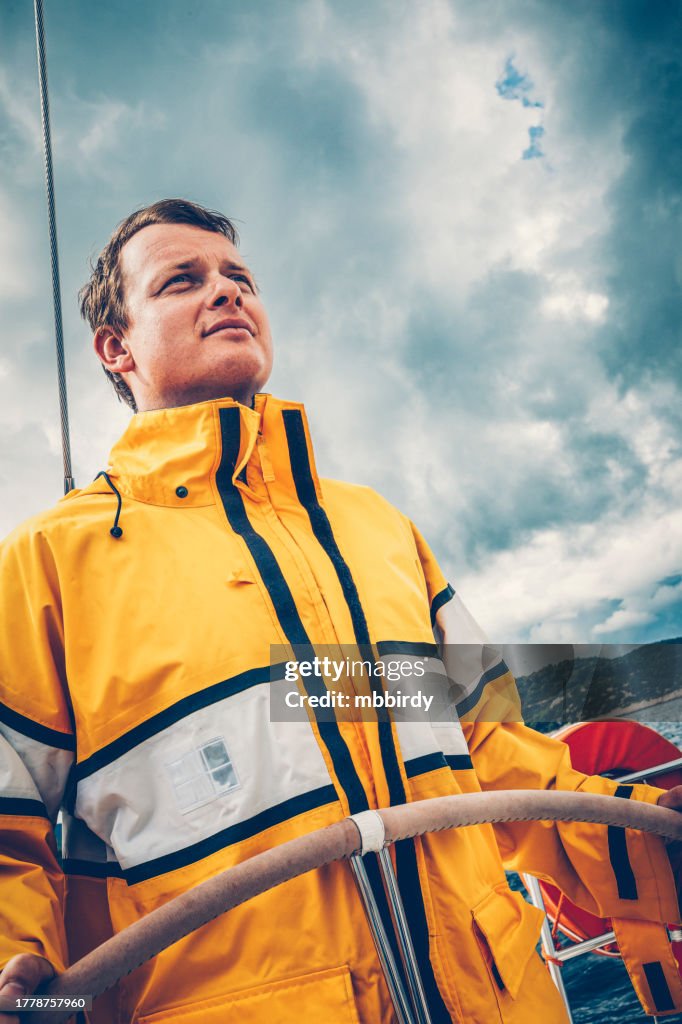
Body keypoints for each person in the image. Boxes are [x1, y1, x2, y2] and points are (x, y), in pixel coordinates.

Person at [1, 198, 681, 1024]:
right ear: (116, 347)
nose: (226, 291)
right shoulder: (48, 564)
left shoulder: (378, 528)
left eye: (239, 277)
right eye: (183, 281)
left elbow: (485, 749)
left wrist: (646, 837)